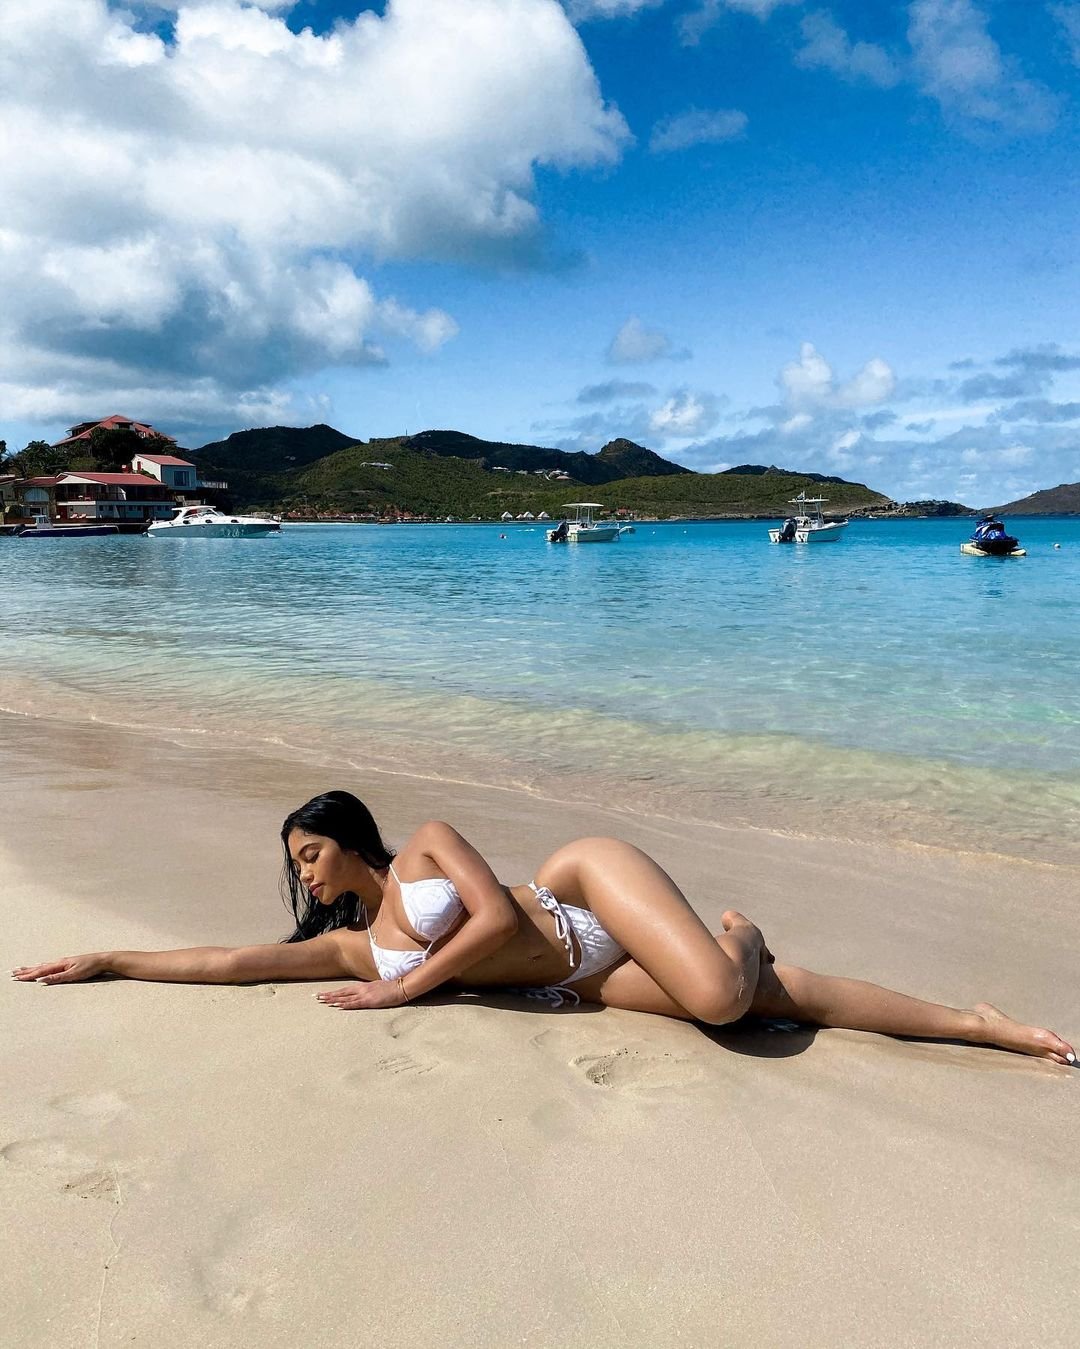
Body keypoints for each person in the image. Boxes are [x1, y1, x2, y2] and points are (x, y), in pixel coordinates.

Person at [12, 791, 1075, 1067]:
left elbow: (492, 912)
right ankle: (981, 1023)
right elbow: (234, 961)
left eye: (310, 850)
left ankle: (741, 929)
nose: (305, 872)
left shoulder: (425, 848)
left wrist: (405, 988)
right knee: (775, 1009)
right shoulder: (351, 945)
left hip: (583, 892)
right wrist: (113, 957)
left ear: (351, 838)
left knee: (723, 992)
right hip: (577, 979)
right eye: (296, 863)